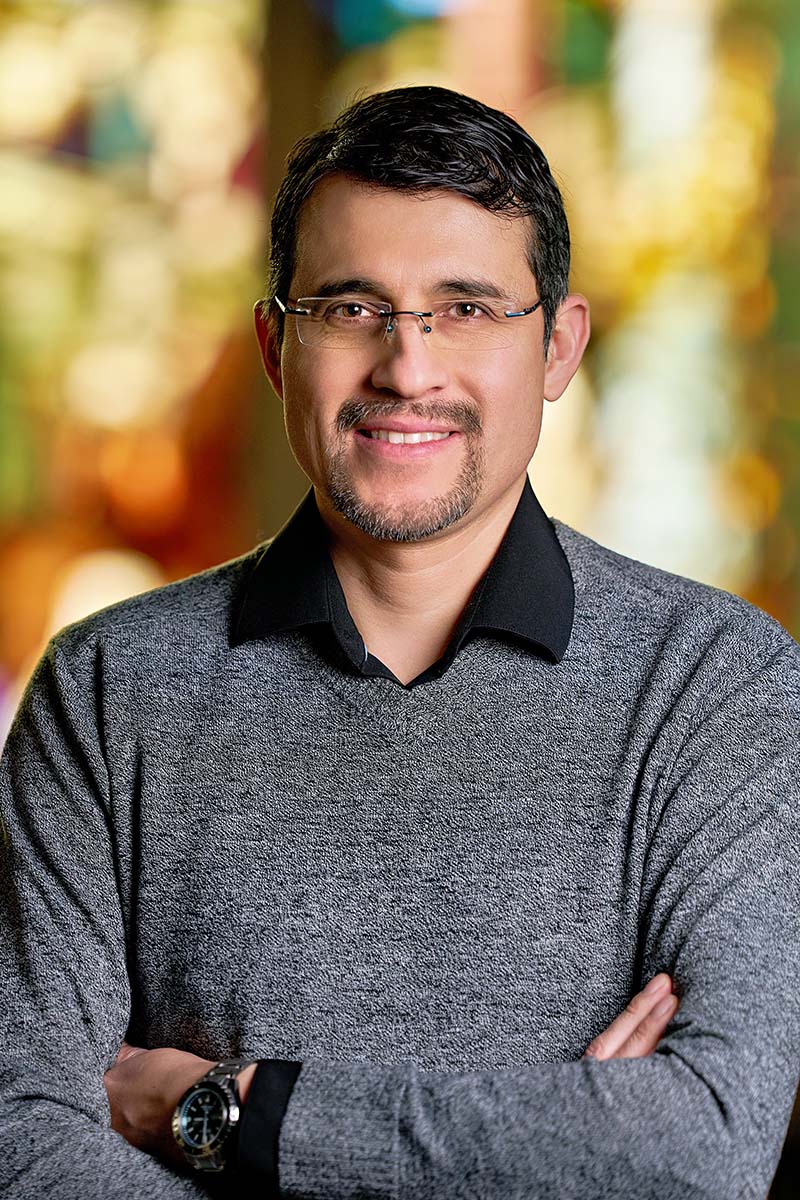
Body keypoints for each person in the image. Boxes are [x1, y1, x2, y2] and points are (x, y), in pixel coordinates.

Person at [1, 85, 799, 1200]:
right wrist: (559, 1144)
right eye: (349, 306)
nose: (407, 368)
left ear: (558, 348)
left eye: (466, 307)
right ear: (278, 348)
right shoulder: (104, 693)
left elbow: (703, 1141)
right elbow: (25, 1141)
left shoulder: (714, 684)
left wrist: (226, 1110)